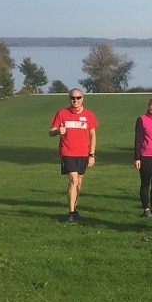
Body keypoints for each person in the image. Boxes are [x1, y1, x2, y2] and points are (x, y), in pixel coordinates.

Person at [49, 88, 98, 223]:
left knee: (79, 182)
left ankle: (75, 209)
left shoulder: (88, 114)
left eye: (78, 98)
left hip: (83, 153)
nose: (75, 100)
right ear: (69, 99)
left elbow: (93, 135)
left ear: (82, 98)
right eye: (72, 98)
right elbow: (51, 132)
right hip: (67, 151)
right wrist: (58, 131)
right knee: (73, 180)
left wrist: (92, 154)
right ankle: (71, 213)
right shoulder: (62, 113)